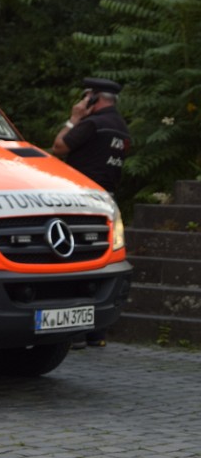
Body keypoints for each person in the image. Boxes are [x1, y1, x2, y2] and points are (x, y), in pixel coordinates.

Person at [52, 76, 131, 348]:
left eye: (86, 97)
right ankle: (97, 333)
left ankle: (71, 332)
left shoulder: (92, 124)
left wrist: (73, 119)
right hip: (106, 203)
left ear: (93, 99)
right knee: (101, 263)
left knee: (74, 264)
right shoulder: (121, 128)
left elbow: (59, 147)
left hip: (80, 200)